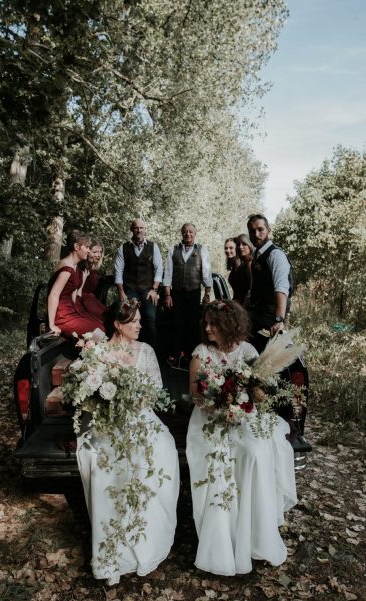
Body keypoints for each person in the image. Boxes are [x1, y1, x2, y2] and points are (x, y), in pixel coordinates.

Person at [186, 300, 297, 576]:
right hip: (209, 420)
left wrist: (240, 405)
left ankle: (255, 534)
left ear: (228, 325)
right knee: (219, 459)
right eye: (206, 323)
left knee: (255, 452)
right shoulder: (201, 353)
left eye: (213, 323)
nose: (208, 328)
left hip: (243, 417)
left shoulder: (247, 351)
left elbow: (257, 390)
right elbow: (196, 396)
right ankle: (224, 541)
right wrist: (218, 406)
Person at [76, 300, 180, 585]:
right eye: (133, 321)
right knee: (103, 465)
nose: (139, 325)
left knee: (157, 454)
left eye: (139, 321)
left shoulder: (145, 350)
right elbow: (87, 393)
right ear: (117, 325)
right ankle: (111, 556)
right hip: (107, 422)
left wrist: (130, 401)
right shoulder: (98, 351)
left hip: (139, 418)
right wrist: (107, 403)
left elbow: (155, 391)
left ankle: (141, 544)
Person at [163, 223, 212, 369]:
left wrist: (207, 293)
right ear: (182, 233)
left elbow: (206, 274)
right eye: (185, 232)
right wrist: (167, 295)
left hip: (194, 292)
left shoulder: (202, 250)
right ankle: (176, 356)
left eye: (191, 232)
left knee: (192, 326)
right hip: (176, 293)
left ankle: (190, 358)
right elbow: (168, 275)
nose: (188, 234)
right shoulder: (174, 249)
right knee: (177, 325)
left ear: (195, 234)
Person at [247, 214, 293, 353]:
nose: (256, 234)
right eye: (252, 231)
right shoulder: (257, 255)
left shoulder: (275, 255)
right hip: (257, 310)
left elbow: (281, 289)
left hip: (270, 315)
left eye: (260, 229)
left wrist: (279, 320)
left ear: (268, 230)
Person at [114, 218, 163, 348]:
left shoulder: (153, 247)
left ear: (145, 230)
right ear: (132, 229)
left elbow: (159, 270)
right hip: (129, 290)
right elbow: (118, 271)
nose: (139, 230)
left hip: (148, 290)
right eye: (136, 228)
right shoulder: (123, 248)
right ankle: (129, 350)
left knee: (150, 319)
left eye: (141, 228)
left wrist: (154, 289)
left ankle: (151, 352)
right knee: (128, 320)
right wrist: (121, 293)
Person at [47, 230, 105, 338]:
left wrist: (80, 313)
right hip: (62, 315)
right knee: (98, 333)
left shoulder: (75, 267)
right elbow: (53, 295)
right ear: (76, 246)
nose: (88, 251)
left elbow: (73, 294)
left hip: (71, 310)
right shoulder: (67, 268)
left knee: (100, 326)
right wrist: (51, 325)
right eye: (86, 247)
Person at [75, 238, 106, 322]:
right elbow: (78, 291)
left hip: (91, 300)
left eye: (100, 252)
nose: (98, 255)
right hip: (83, 300)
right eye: (95, 252)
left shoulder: (93, 270)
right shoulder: (82, 268)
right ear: (88, 252)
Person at [229, 233, 254, 306]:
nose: (240, 247)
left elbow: (251, 290)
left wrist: (243, 307)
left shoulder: (250, 264)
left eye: (244, 244)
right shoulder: (242, 265)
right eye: (238, 244)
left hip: (245, 307)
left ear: (250, 245)